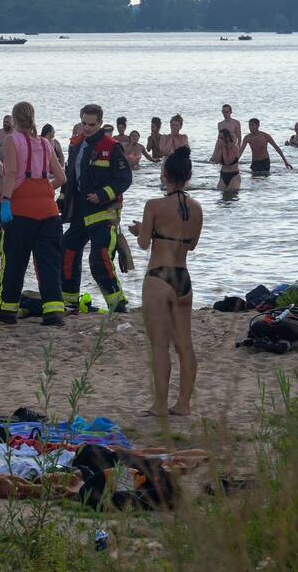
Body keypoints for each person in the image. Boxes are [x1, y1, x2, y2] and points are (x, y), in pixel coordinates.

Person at [128, 146, 203, 417]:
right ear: (188, 175)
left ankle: (160, 405)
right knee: (185, 345)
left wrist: (140, 230)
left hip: (158, 277)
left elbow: (144, 243)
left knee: (160, 345)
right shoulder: (196, 208)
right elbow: (192, 245)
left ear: (165, 173)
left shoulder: (154, 205)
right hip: (183, 277)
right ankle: (183, 404)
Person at [0, 101, 68, 326]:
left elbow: (11, 172)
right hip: (49, 212)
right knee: (48, 263)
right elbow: (62, 178)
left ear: (14, 119)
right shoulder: (45, 143)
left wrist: (6, 201)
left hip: (21, 210)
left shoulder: (12, 140)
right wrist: (43, 192)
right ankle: (53, 312)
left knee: (14, 261)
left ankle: (6, 310)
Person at [59, 104, 133, 312]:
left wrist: (101, 195)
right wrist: (63, 199)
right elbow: (70, 177)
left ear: (100, 123)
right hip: (80, 211)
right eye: (84, 123)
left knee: (99, 257)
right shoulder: (76, 145)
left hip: (104, 212)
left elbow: (125, 179)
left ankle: (118, 304)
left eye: (92, 124)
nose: (87, 128)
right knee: (67, 250)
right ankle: (69, 301)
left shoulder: (112, 146)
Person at [211, 128, 241, 193]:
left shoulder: (235, 148)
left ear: (227, 138)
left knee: (231, 195)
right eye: (218, 137)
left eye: (221, 138)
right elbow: (216, 161)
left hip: (233, 175)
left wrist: (224, 148)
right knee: (222, 196)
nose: (219, 140)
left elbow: (227, 162)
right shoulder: (220, 147)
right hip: (223, 174)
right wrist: (220, 149)